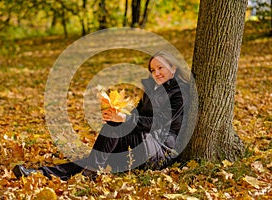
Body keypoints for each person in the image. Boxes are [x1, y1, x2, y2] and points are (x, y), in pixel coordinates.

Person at [13, 50, 189, 181]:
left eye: (160, 68)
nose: (156, 73)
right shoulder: (153, 89)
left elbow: (161, 123)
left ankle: (89, 170)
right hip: (143, 143)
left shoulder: (180, 92)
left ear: (173, 68)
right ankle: (40, 173)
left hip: (161, 152)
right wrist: (117, 114)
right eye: (152, 69)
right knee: (98, 154)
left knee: (112, 133)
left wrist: (125, 119)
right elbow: (136, 114)